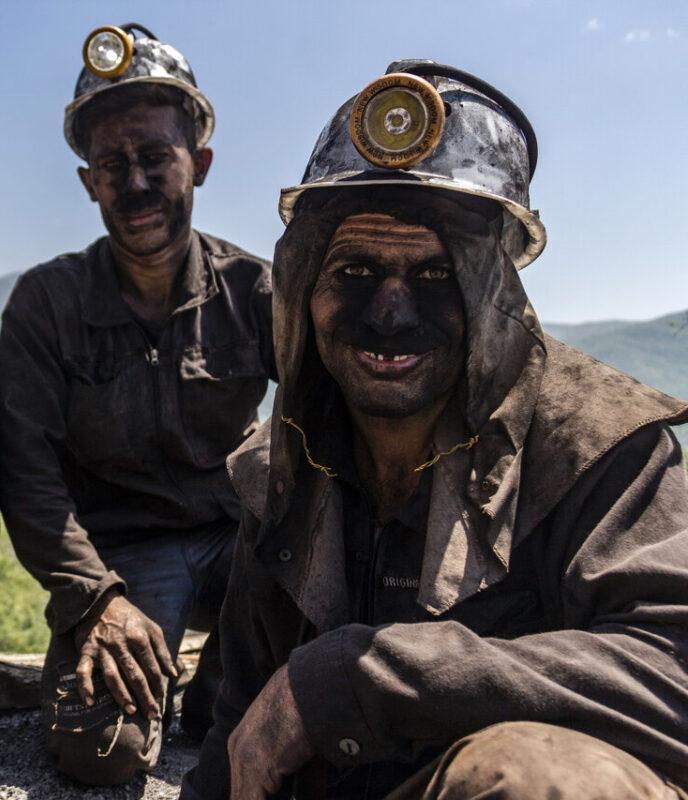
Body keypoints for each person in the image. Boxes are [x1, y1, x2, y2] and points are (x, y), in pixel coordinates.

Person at [182, 60, 688, 800]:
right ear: (305, 287)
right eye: (354, 271)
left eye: (435, 276)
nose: (390, 315)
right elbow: (243, 732)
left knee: (535, 778)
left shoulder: (600, 449)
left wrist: (359, 678)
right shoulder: (281, 462)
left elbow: (675, 671)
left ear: (493, 298)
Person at [0, 23, 274, 786]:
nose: (135, 182)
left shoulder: (256, 292)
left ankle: (220, 682)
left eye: (155, 157)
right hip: (120, 559)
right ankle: (179, 675)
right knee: (100, 753)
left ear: (199, 164)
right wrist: (95, 599)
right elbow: (27, 470)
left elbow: (331, 419)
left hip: (234, 540)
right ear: (88, 182)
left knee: (246, 710)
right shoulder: (47, 304)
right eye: (112, 165)